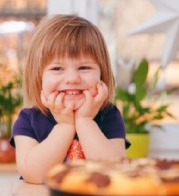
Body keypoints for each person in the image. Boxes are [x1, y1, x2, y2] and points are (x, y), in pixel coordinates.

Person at [10, 15, 130, 184]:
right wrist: (65, 125)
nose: (72, 78)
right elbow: (34, 174)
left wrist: (85, 121)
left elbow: (113, 172)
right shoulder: (28, 119)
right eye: (57, 68)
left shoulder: (109, 115)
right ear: (39, 78)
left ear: (102, 74)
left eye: (84, 67)